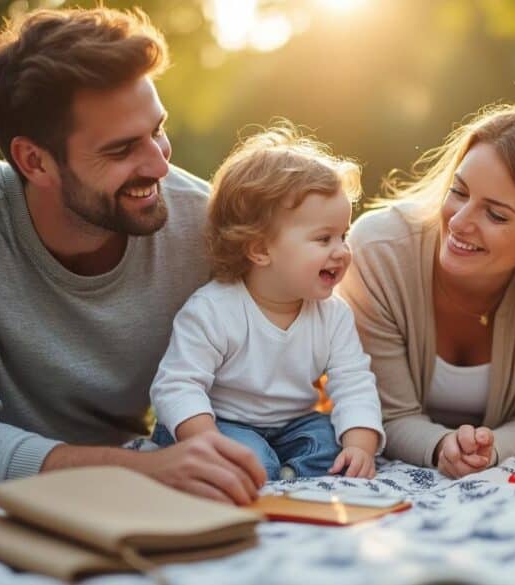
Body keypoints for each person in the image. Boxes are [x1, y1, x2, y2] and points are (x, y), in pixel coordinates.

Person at [0, 7, 267, 502]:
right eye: (121, 150)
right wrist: (143, 471)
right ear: (34, 161)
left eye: (157, 130)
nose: (159, 164)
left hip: (133, 481)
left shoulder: (204, 226)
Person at [339, 100, 515, 478]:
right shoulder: (378, 253)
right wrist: (441, 447)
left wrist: (489, 450)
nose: (460, 222)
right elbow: (386, 412)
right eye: (459, 191)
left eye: (496, 214)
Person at [148, 125, 385, 481]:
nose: (342, 251)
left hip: (293, 426)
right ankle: (272, 471)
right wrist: (208, 442)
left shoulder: (333, 314)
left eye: (343, 235)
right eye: (324, 238)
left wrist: (360, 447)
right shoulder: (214, 309)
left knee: (330, 441)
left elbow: (353, 383)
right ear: (260, 249)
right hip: (219, 421)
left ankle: (285, 473)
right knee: (251, 456)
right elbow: (176, 385)